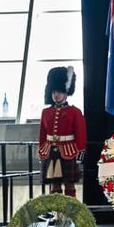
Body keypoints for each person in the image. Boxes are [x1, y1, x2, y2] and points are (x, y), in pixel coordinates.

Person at [38, 66, 87, 197]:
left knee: (69, 184)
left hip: (69, 151)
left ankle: (70, 213)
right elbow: (42, 135)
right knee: (55, 185)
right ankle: (56, 213)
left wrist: (80, 155)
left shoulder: (74, 112)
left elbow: (81, 135)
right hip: (50, 151)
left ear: (66, 92)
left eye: (59, 91)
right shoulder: (46, 112)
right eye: (54, 91)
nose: (56, 95)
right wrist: (42, 150)